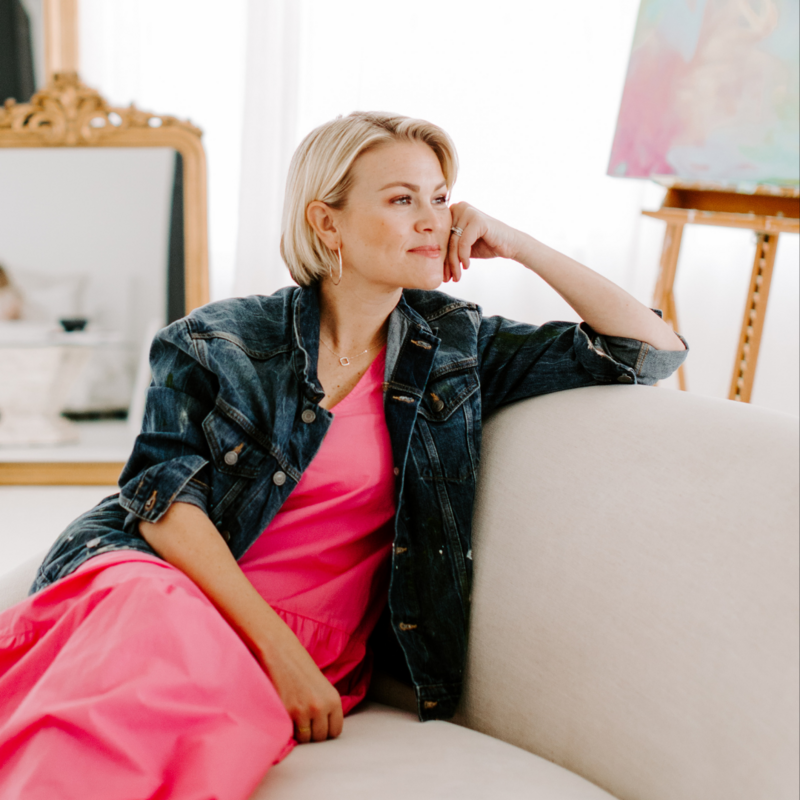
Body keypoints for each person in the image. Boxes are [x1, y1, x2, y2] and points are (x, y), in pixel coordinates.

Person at [0, 111, 688, 799]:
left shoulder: (454, 349)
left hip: (311, 641)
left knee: (163, 732)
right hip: (171, 590)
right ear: (327, 224)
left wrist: (514, 242)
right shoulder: (218, 340)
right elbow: (161, 502)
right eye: (401, 199)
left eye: (440, 198)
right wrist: (280, 653)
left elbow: (650, 351)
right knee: (110, 687)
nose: (434, 220)